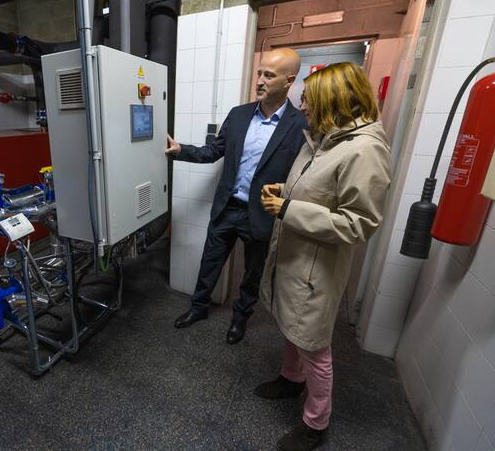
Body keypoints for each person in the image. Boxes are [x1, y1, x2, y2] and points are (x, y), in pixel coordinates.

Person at [256, 62, 391, 451]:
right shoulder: (321, 139)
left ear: (334, 100)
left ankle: (316, 423)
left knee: (314, 346)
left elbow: (358, 224)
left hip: (316, 267)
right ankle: (290, 379)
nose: (303, 107)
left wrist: (288, 208)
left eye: (309, 100)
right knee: (291, 326)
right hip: (295, 256)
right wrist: (284, 190)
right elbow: (319, 190)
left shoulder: (364, 150)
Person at [166, 48, 308, 344]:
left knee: (253, 273)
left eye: (269, 75)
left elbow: (301, 175)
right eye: (259, 73)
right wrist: (182, 150)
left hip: (262, 212)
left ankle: (240, 318)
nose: (260, 80)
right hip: (227, 207)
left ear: (289, 81)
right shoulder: (239, 114)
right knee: (210, 262)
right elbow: (214, 151)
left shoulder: (300, 125)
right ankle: (198, 308)